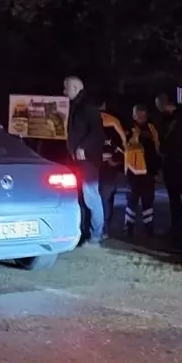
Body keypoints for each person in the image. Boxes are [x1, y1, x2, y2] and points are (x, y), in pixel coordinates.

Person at [65, 76, 105, 246]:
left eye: (66, 88)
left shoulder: (87, 107)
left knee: (91, 198)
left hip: (88, 160)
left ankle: (97, 235)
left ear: (75, 88)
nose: (64, 92)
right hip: (80, 160)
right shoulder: (78, 106)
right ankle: (87, 233)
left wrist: (83, 147)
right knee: (85, 198)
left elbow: (98, 132)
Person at [155, 93, 182, 244]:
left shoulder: (174, 120)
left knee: (177, 202)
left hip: (176, 166)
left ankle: (178, 232)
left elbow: (166, 143)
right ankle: (181, 231)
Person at [124, 104, 161, 237]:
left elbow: (156, 149)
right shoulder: (128, 129)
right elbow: (127, 146)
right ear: (134, 116)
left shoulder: (152, 129)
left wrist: (156, 170)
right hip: (133, 172)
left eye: (143, 116)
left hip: (148, 172)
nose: (141, 119)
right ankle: (129, 227)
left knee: (148, 201)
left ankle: (149, 228)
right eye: (139, 116)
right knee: (131, 201)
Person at [98, 100, 127, 240]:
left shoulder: (112, 123)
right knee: (105, 200)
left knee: (103, 200)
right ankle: (102, 230)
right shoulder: (114, 122)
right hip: (102, 169)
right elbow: (123, 147)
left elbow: (123, 147)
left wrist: (114, 161)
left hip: (104, 170)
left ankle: (102, 230)